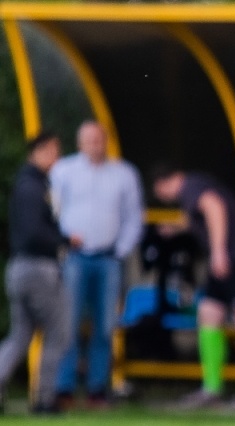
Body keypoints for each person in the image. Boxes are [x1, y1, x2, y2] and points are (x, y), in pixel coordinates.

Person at [151, 165, 235, 409]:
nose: (162, 198)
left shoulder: (191, 187)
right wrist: (176, 228)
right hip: (230, 257)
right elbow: (198, 216)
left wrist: (218, 251)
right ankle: (211, 388)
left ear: (164, 183)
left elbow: (214, 207)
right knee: (208, 313)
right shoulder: (195, 186)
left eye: (159, 192)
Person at [51, 120, 143, 408]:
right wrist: (63, 242)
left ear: (107, 141)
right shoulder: (63, 171)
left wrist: (120, 250)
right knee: (70, 323)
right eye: (89, 140)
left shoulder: (124, 174)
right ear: (79, 143)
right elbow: (52, 212)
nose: (95, 144)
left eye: (99, 139)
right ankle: (64, 388)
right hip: (75, 258)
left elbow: (133, 217)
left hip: (108, 258)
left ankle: (97, 390)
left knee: (105, 326)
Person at [0, 131, 68, 415]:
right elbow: (32, 233)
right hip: (37, 268)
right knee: (58, 332)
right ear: (39, 151)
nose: (57, 157)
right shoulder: (32, 187)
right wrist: (63, 241)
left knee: (19, 336)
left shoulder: (29, 183)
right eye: (53, 150)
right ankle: (44, 399)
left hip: (18, 268)